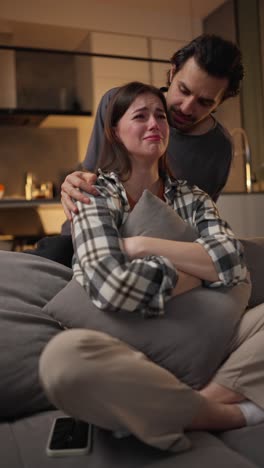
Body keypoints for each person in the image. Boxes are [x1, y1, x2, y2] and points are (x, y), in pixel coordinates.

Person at [39, 82, 260, 454]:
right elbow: (111, 287)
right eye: (139, 116)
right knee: (62, 361)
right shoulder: (92, 195)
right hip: (123, 352)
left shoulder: (193, 198)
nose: (154, 123)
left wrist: (141, 246)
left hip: (204, 338)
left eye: (160, 115)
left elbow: (232, 260)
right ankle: (225, 414)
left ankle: (181, 406)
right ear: (114, 132)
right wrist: (194, 275)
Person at [60, 33, 244, 226]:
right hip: (91, 229)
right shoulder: (116, 103)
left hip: (162, 246)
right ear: (173, 72)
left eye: (204, 102)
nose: (186, 108)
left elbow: (197, 222)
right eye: (184, 90)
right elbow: (88, 177)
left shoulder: (219, 148)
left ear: (219, 103)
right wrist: (73, 183)